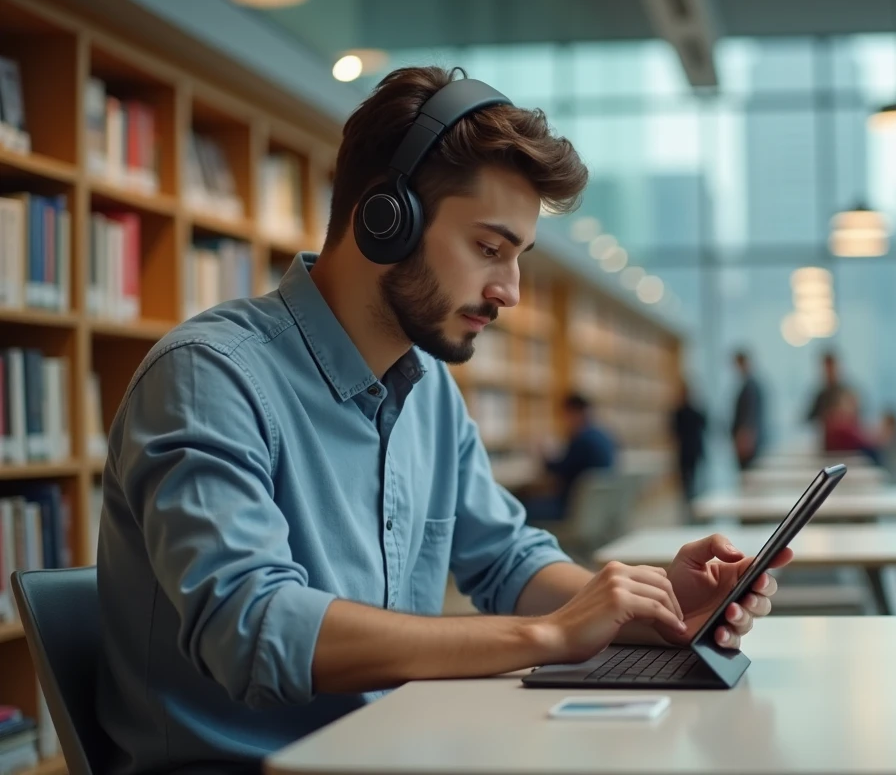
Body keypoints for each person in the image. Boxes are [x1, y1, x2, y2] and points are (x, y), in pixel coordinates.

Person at [95, 67, 791, 774]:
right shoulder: (209, 377)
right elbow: (257, 632)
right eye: (489, 248)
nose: (510, 291)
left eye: (518, 257)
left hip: (399, 747)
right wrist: (548, 635)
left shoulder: (428, 392)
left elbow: (506, 559)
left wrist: (652, 607)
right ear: (385, 220)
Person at [524, 393, 616, 522]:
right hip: (597, 507)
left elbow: (560, 471)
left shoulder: (581, 439)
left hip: (573, 508)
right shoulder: (604, 435)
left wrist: (544, 455)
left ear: (573, 413)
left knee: (519, 509)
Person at [670, 380, 707, 514]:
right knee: (693, 480)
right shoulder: (694, 411)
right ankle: (693, 505)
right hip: (693, 450)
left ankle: (691, 506)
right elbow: (705, 424)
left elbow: (674, 432)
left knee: (688, 482)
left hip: (686, 451)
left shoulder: (678, 412)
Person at [821, 387, 884, 466]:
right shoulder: (838, 421)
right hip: (842, 460)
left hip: (848, 458)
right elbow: (859, 439)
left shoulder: (845, 420)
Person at [731, 349, 765, 470]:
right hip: (747, 440)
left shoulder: (750, 386)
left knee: (748, 473)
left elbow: (750, 415)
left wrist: (745, 437)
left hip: (747, 442)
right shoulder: (748, 384)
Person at [804, 350, 842, 424]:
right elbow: (809, 418)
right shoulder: (821, 395)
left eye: (831, 368)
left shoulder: (847, 394)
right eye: (826, 368)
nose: (828, 372)